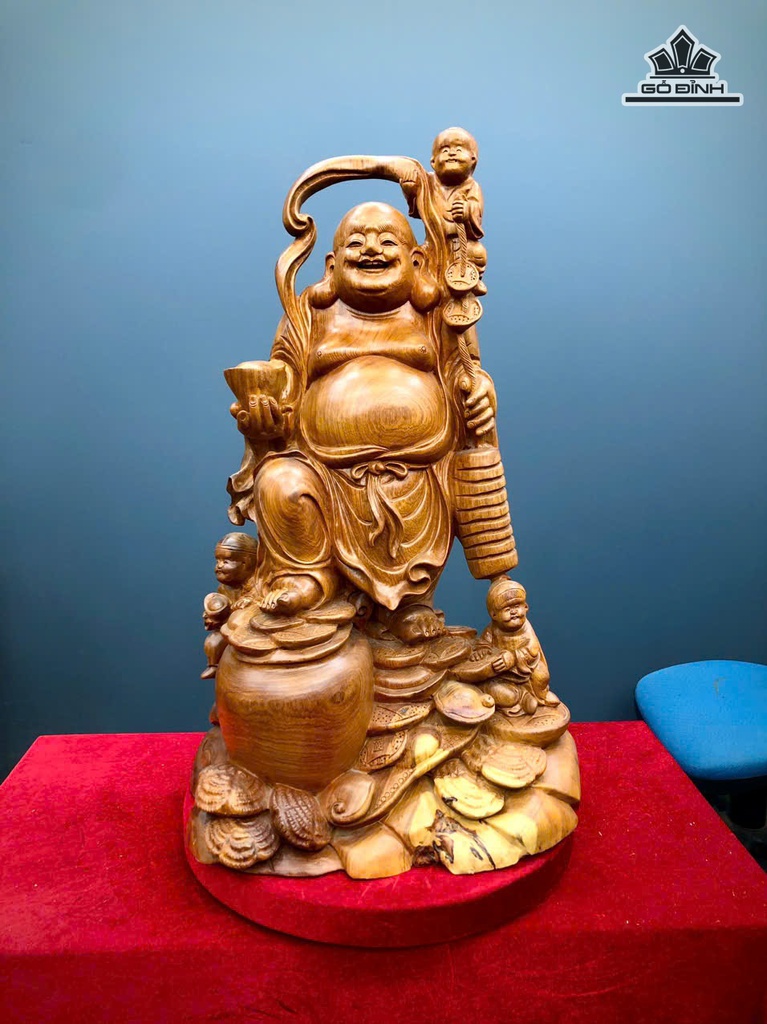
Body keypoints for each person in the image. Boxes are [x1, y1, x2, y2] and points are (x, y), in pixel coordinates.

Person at [225, 202, 511, 639]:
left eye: (387, 240)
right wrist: (264, 418)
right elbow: (283, 381)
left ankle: (409, 605)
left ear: (417, 261)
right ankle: (306, 576)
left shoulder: (436, 313)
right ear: (331, 264)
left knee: (434, 505)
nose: (371, 249)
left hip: (420, 469)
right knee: (278, 481)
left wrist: (481, 393)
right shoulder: (309, 314)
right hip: (322, 470)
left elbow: (463, 371)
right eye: (355, 242)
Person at [402, 127, 487, 293]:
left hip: (460, 244)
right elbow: (419, 207)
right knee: (416, 259)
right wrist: (410, 191)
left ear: (473, 160)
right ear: (433, 162)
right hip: (432, 243)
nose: (451, 153)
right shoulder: (428, 182)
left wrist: (466, 210)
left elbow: (476, 210)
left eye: (459, 149)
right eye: (445, 150)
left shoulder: (472, 186)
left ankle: (472, 279)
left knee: (477, 252)